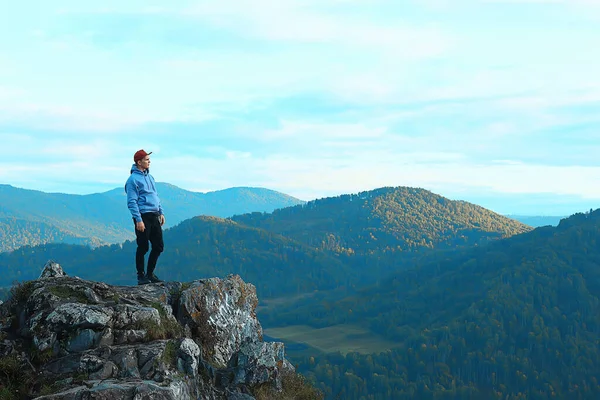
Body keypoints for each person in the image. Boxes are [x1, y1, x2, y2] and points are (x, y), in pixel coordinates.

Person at [125, 149, 166, 285]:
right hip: (143, 216)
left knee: (158, 246)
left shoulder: (150, 177)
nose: (149, 162)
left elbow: (155, 195)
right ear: (139, 162)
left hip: (154, 215)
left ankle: (150, 274)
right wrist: (138, 219)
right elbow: (132, 201)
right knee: (143, 247)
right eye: (147, 160)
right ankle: (141, 276)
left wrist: (161, 212)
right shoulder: (132, 180)